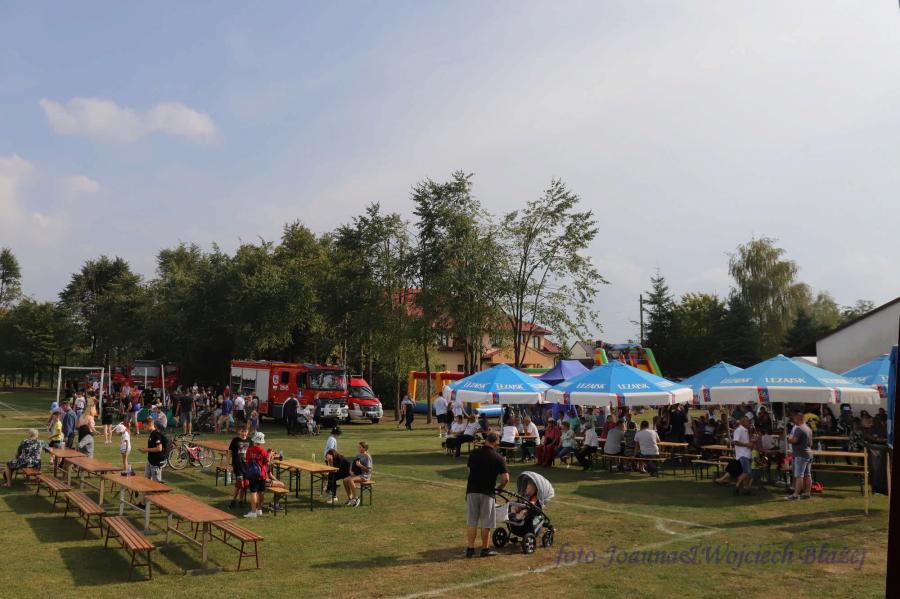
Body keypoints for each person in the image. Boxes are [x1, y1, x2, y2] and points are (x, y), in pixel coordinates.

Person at [464, 431, 509, 558]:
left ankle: (470, 549)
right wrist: (499, 488)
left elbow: (469, 470)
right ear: (496, 443)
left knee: (472, 522)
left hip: (472, 491)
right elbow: (506, 478)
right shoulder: (499, 458)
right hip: (487, 493)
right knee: (486, 523)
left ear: (486, 440)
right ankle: (485, 549)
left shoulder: (474, 453)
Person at [786, 411, 813, 501]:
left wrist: (788, 439)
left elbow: (794, 440)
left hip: (800, 455)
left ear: (799, 419)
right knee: (807, 474)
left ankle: (795, 495)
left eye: (795, 419)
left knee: (799, 475)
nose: (794, 421)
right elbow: (810, 443)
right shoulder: (808, 429)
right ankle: (807, 493)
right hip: (808, 453)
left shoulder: (799, 429)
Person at [244, 432, 270, 518]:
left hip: (253, 474)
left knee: (253, 493)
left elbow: (247, 461)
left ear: (254, 440)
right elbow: (266, 462)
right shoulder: (263, 451)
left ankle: (253, 512)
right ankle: (259, 509)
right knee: (261, 492)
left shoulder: (249, 449)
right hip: (262, 474)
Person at [343, 441, 373, 507]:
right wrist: (350, 471)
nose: (358, 448)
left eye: (360, 447)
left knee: (350, 480)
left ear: (364, 448)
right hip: (358, 474)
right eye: (358, 447)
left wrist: (360, 466)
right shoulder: (358, 455)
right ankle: (350, 499)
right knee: (345, 480)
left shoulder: (367, 457)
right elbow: (352, 463)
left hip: (365, 476)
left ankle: (356, 498)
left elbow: (369, 471)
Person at [228, 426, 251, 509]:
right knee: (239, 484)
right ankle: (233, 501)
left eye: (245, 432)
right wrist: (228, 464)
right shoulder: (235, 440)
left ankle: (241, 500)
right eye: (242, 431)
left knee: (245, 484)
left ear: (247, 432)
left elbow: (251, 452)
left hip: (247, 466)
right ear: (239, 432)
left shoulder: (250, 440)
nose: (243, 433)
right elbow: (229, 452)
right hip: (237, 465)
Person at [138, 417, 166, 482]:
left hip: (156, 462)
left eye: (145, 427)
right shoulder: (152, 434)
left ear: (150, 425)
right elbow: (153, 447)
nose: (144, 429)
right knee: (146, 480)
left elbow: (159, 448)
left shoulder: (156, 434)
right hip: (150, 460)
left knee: (156, 483)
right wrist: (145, 450)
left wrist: (147, 449)